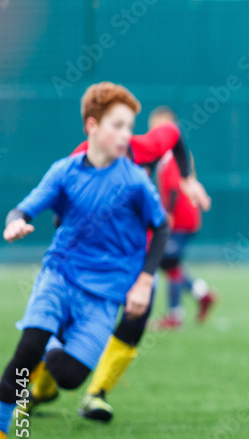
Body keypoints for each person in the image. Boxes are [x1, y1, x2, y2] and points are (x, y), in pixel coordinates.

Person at [0, 82, 168, 439]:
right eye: (117, 125)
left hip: (105, 294)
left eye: (130, 127)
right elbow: (25, 207)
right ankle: (1, 422)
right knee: (27, 350)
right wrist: (16, 221)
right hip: (60, 274)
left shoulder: (135, 180)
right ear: (91, 126)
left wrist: (144, 280)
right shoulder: (65, 171)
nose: (126, 135)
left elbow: (162, 225)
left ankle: (50, 344)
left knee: (70, 376)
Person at [28, 105, 211, 422]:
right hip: (88, 258)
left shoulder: (144, 147)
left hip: (132, 255)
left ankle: (96, 395)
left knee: (136, 317)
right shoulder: (79, 160)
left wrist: (187, 179)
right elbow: (62, 216)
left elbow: (175, 135)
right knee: (62, 326)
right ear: (93, 129)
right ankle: (39, 390)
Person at [152, 143, 217, 331]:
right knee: (168, 263)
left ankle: (175, 315)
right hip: (183, 218)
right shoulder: (171, 157)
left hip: (180, 220)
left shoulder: (171, 156)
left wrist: (169, 214)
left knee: (168, 260)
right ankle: (202, 293)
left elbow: (172, 187)